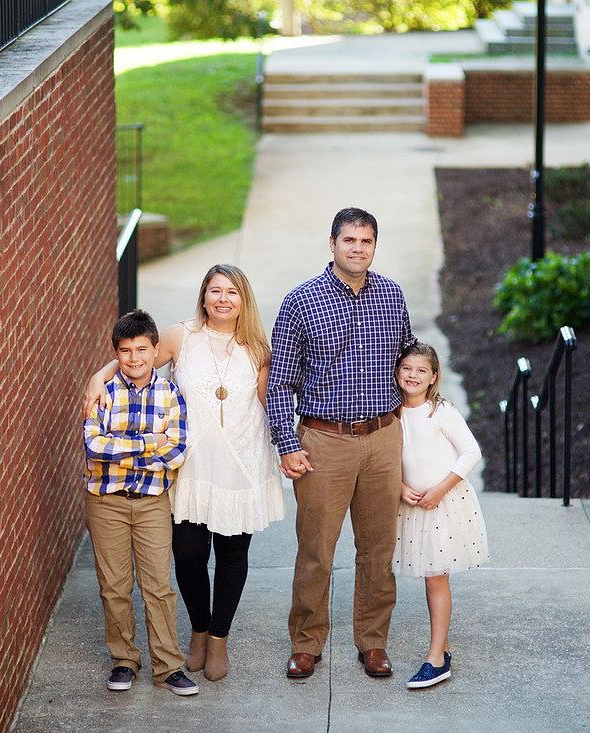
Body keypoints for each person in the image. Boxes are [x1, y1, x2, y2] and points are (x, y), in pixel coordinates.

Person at [84, 265, 284, 682]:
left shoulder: (258, 348)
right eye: (215, 291)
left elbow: (271, 404)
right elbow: (135, 356)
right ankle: (197, 631)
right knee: (189, 557)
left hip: (241, 467)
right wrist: (97, 377)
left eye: (232, 292)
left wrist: (291, 448)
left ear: (243, 299)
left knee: (232, 557)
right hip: (190, 467)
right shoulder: (182, 336)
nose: (223, 299)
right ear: (204, 295)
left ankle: (219, 640)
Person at [266, 207, 417, 680]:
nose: (357, 248)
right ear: (331, 244)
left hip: (382, 436)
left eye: (366, 241)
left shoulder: (392, 294)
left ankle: (373, 642)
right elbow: (278, 385)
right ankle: (306, 643)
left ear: (375, 246)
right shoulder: (300, 302)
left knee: (378, 549)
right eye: (349, 240)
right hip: (324, 442)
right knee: (316, 549)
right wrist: (286, 444)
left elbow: (410, 363)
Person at [83, 309, 198, 696]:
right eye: (126, 351)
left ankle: (168, 667)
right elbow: (95, 446)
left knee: (158, 587)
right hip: (106, 500)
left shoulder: (169, 393)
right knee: (114, 586)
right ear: (116, 353)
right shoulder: (103, 391)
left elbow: (178, 450)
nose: (134, 359)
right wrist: (152, 442)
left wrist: (126, 450)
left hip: (151, 503)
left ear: (155, 350)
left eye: (142, 350)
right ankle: (124, 660)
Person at [392, 342, 488, 689]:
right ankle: (442, 644)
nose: (413, 376)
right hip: (412, 505)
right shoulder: (393, 412)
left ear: (434, 377)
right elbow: (390, 459)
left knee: (436, 578)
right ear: (397, 371)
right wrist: (400, 486)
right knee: (429, 577)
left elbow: (471, 452)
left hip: (442, 504)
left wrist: (439, 490)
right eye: (406, 368)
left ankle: (436, 659)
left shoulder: (440, 411)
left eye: (421, 370)